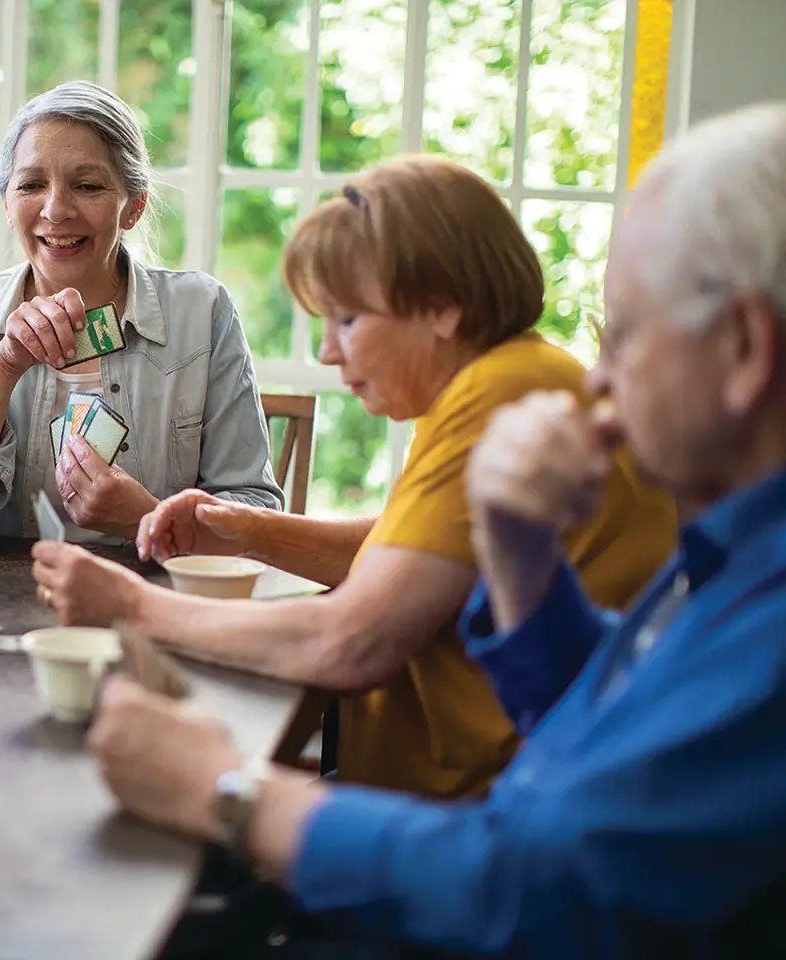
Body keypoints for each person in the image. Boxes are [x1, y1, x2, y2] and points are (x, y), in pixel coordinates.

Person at [85, 102, 786, 957]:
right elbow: (605, 704)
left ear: (745, 350)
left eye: (626, 336)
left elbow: (536, 889)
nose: (597, 379)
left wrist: (228, 789)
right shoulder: (729, 561)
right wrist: (520, 559)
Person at [34, 155, 676, 798]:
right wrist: (243, 533)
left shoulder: (500, 395)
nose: (327, 351)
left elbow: (349, 641)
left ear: (442, 306)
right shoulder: (501, 377)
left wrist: (133, 606)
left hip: (487, 805)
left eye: (348, 319)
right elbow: (412, 558)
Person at [0, 81, 282, 543]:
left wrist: (146, 518)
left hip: (149, 587)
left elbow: (256, 510)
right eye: (31, 185)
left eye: (88, 186)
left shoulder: (203, 312)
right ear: (7, 204)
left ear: (133, 207)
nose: (56, 210)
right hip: (0, 591)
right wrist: (4, 365)